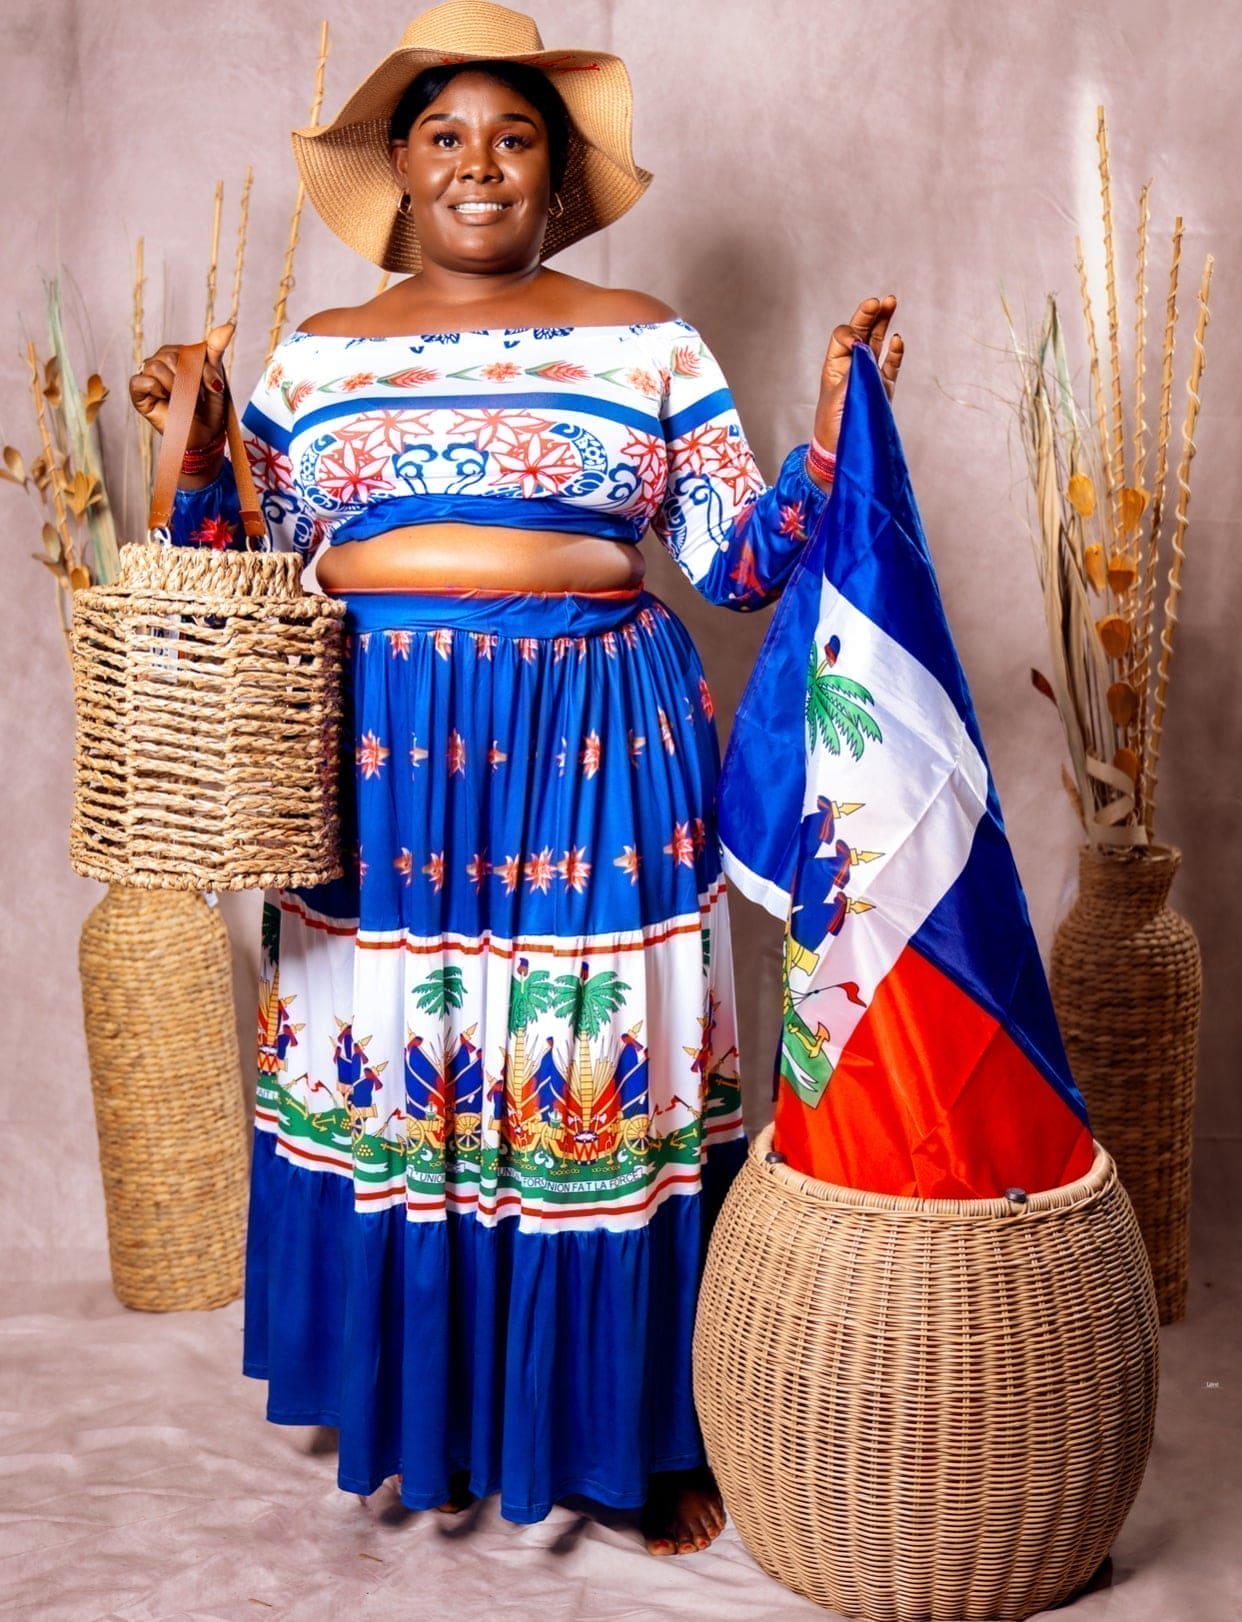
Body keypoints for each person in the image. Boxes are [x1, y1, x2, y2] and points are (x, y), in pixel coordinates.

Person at [129, 0, 903, 1557]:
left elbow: (737, 567)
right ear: (400, 175)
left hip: (594, 738)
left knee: (594, 1062)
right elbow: (238, 583)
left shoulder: (648, 336)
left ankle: (633, 1430)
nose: (479, 163)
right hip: (384, 751)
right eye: (444, 136)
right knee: (409, 1052)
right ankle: (425, 1400)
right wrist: (193, 447)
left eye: (514, 134)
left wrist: (827, 439)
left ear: (555, 170)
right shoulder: (312, 360)